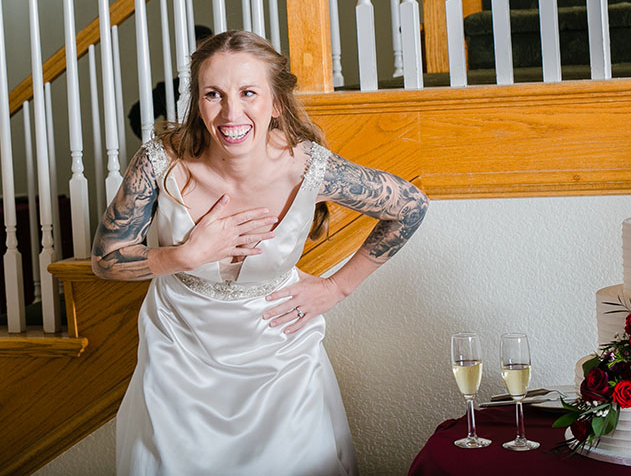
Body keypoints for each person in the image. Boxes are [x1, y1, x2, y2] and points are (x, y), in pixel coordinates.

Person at [92, 30, 429, 475]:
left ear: (277, 103)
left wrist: (336, 288)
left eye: (249, 92)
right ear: (197, 101)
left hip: (281, 357)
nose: (232, 113)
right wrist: (182, 256)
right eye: (214, 94)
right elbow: (105, 258)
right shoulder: (160, 162)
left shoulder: (307, 166)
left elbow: (410, 205)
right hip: (178, 358)